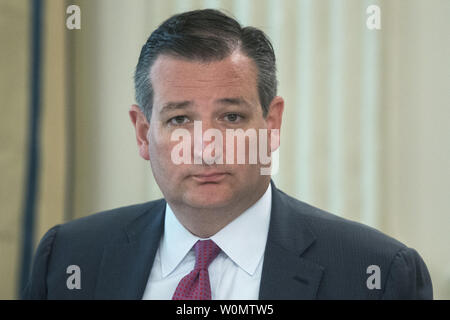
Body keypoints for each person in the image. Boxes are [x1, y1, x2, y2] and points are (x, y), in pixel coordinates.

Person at [22, 9, 432, 300]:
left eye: (231, 117)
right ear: (144, 133)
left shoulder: (376, 275)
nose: (206, 147)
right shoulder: (69, 259)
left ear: (271, 124)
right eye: (180, 119)